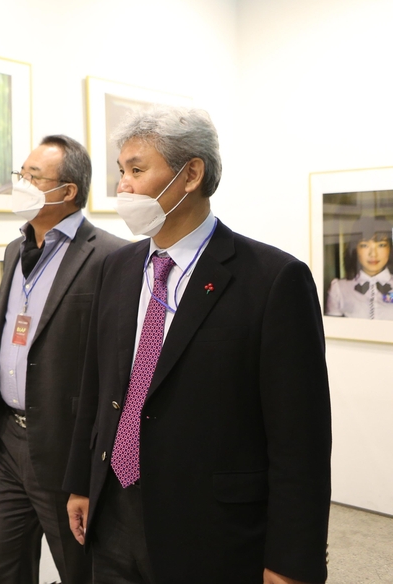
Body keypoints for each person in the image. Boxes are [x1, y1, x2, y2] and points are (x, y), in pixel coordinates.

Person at [63, 107, 331, 584]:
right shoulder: (118, 268)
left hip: (210, 530)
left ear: (190, 175)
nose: (122, 186)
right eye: (120, 171)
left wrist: (292, 561)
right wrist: (80, 482)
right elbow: (97, 384)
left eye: (137, 170)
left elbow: (300, 442)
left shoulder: (272, 280)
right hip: (114, 513)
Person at [0, 135, 126, 584]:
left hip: (67, 449)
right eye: (20, 174)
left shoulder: (111, 256)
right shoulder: (15, 249)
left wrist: (88, 469)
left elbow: (114, 370)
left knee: (79, 569)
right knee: (3, 568)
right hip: (8, 440)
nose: (21, 184)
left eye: (33, 177)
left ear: (67, 192)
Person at [325, 215, 393, 319]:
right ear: (355, 249)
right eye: (365, 245)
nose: (373, 254)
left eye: (381, 245)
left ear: (390, 248)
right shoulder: (338, 289)